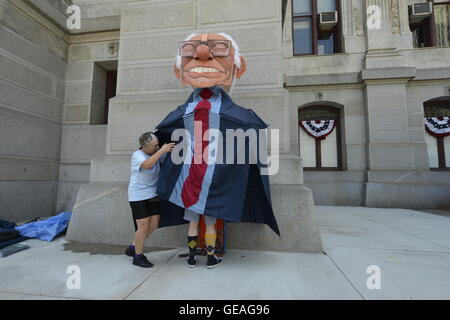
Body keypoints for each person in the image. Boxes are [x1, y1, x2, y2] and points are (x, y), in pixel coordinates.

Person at [155, 32, 280, 269]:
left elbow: (164, 130)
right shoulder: (210, 112)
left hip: (190, 180)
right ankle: (211, 257)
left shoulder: (187, 111)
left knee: (192, 222)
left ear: (238, 67)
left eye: (219, 48)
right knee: (209, 222)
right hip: (213, 181)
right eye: (191, 52)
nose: (203, 54)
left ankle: (193, 257)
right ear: (178, 70)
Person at [125, 132, 175, 268]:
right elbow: (147, 165)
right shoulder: (138, 155)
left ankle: (133, 247)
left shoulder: (155, 152)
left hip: (152, 194)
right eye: (155, 145)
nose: (157, 147)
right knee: (143, 226)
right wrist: (161, 151)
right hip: (138, 196)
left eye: (158, 145)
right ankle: (138, 256)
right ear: (145, 146)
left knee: (154, 224)